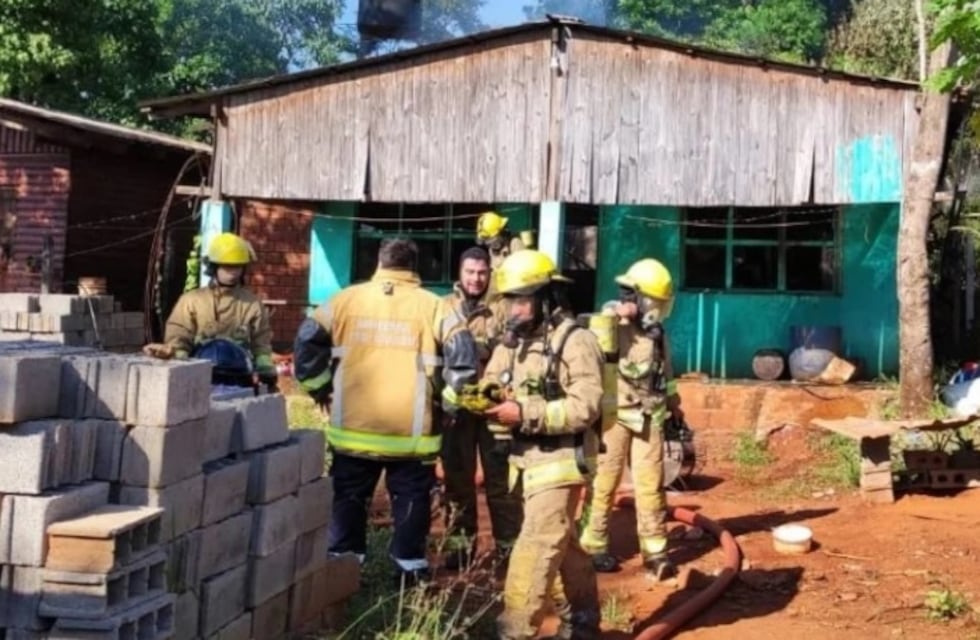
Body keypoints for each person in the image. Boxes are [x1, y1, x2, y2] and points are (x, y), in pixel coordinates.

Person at [292, 238, 478, 585]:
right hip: (412, 437)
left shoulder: (344, 300)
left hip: (352, 430)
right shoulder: (435, 307)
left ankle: (344, 570)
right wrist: (450, 404)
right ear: (414, 267)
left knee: (348, 498)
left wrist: (318, 386)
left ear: (379, 263)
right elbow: (464, 361)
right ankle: (408, 572)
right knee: (411, 501)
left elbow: (306, 340)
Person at [480, 249, 603, 640]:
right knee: (562, 545)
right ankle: (583, 621)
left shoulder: (576, 341)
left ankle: (514, 631)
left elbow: (587, 406)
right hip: (524, 463)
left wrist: (525, 412)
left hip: (562, 462)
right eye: (509, 301)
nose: (513, 311)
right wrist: (483, 396)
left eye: (522, 300)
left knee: (534, 549)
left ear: (546, 297)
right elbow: (493, 380)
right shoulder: (512, 343)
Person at [579, 258, 682, 580]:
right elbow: (586, 328)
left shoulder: (657, 334)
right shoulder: (612, 326)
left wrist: (676, 407)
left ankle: (656, 552)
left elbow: (667, 373)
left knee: (651, 487)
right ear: (637, 298)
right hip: (615, 419)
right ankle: (593, 546)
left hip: (650, 416)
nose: (657, 310)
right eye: (653, 302)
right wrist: (614, 312)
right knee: (603, 484)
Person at [441, 246, 522, 570]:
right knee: (457, 482)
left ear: (490, 273)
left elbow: (513, 353)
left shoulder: (504, 309)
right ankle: (460, 550)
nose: (476, 278)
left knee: (501, 483)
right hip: (457, 410)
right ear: (459, 274)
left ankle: (508, 550)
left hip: (494, 411)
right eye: (470, 272)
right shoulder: (444, 307)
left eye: (482, 272)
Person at [143, 232, 277, 388]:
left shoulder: (252, 303)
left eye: (238, 267)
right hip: (198, 377)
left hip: (239, 378)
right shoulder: (192, 300)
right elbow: (178, 337)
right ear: (214, 267)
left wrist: (266, 368)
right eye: (227, 267)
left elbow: (261, 342)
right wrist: (175, 355)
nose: (233, 273)